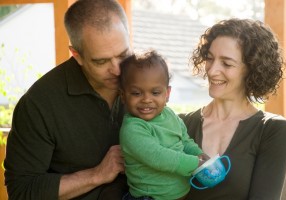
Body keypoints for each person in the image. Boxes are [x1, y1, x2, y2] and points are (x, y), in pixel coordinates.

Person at [4, 0, 132, 199]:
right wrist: (96, 175)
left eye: (123, 55)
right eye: (101, 61)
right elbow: (22, 191)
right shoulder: (39, 104)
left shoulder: (144, 77)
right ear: (76, 55)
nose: (117, 70)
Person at [179, 18, 286, 200]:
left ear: (252, 69)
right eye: (209, 58)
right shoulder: (180, 124)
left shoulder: (272, 130)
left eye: (227, 63)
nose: (212, 70)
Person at [119, 50, 209, 200]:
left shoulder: (170, 116)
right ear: (123, 96)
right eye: (136, 93)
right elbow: (159, 157)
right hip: (148, 197)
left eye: (155, 93)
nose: (147, 99)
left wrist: (199, 154)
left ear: (167, 94)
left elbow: (185, 141)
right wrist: (195, 164)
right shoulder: (132, 129)